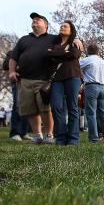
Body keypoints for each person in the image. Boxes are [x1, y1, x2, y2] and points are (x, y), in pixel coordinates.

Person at [9, 13, 55, 144]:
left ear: (46, 25)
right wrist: (12, 72)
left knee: (45, 109)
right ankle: (38, 136)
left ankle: (49, 135)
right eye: (33, 20)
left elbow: (67, 40)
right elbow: (13, 58)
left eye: (38, 20)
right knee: (30, 110)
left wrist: (75, 39)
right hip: (24, 80)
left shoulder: (53, 38)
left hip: (44, 80)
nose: (34, 21)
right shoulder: (23, 39)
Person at [47, 20, 83, 145]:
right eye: (61, 25)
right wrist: (64, 53)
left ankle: (73, 139)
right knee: (56, 106)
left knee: (72, 107)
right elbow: (48, 55)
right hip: (56, 79)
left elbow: (75, 55)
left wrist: (57, 54)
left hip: (73, 76)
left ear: (71, 30)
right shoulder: (54, 43)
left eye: (65, 26)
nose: (62, 27)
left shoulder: (76, 42)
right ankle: (61, 138)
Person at [80, 44, 104, 143]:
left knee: (91, 113)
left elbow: (76, 67)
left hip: (91, 86)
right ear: (98, 51)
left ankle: (94, 138)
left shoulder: (87, 60)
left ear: (88, 51)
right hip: (102, 87)